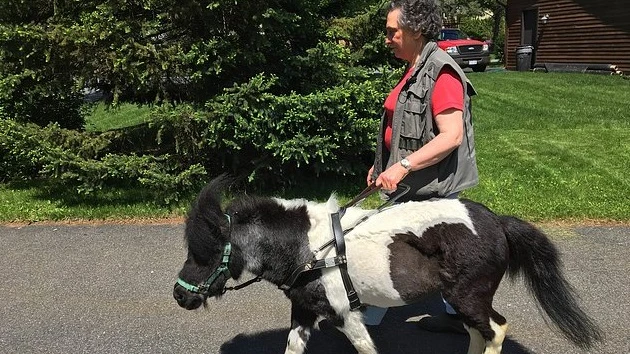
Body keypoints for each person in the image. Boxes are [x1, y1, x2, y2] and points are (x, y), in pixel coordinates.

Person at [363, 0, 479, 333]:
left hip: (430, 190)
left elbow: (451, 136)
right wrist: (381, 165)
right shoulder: (416, 66)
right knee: (433, 253)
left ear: (415, 31)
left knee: (395, 250)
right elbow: (403, 127)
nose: (387, 38)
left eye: (392, 32)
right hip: (411, 185)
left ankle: (369, 321)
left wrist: (403, 167)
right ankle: (456, 316)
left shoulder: (441, 72)